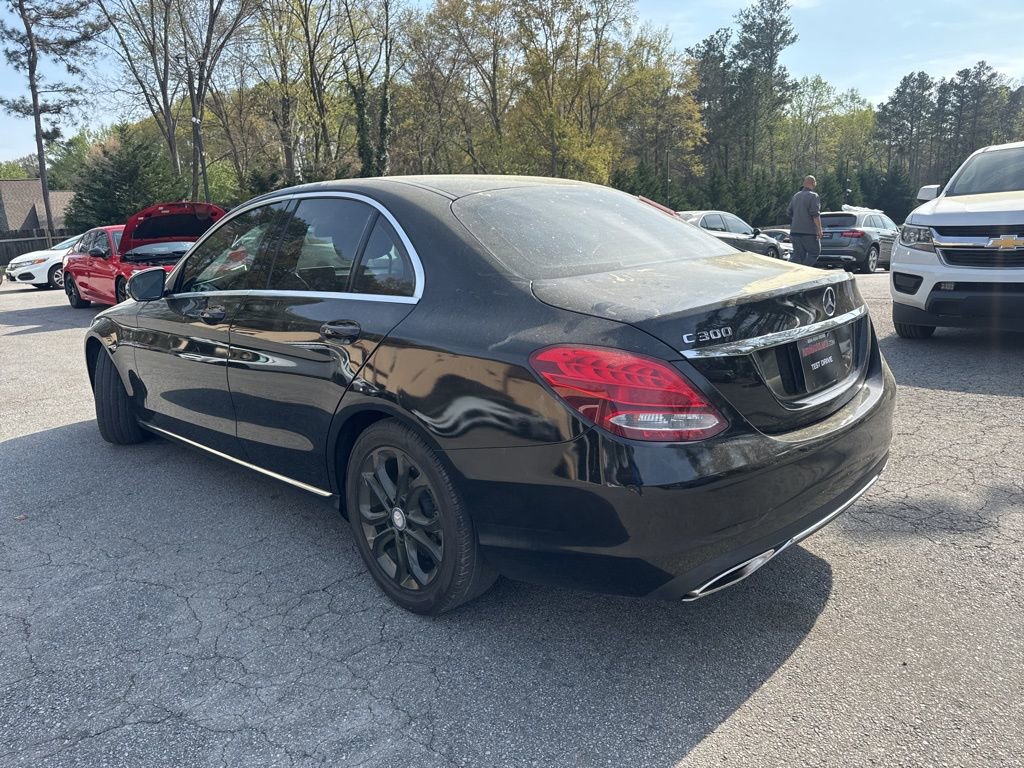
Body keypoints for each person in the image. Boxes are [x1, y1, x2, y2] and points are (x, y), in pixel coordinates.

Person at [787, 175, 823, 267]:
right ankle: (804, 270)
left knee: (798, 255)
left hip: (795, 232)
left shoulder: (796, 196)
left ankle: (792, 272)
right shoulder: (813, 196)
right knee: (814, 253)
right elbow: (815, 214)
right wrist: (819, 229)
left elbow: (789, 212)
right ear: (813, 183)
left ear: (804, 183)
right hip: (809, 232)